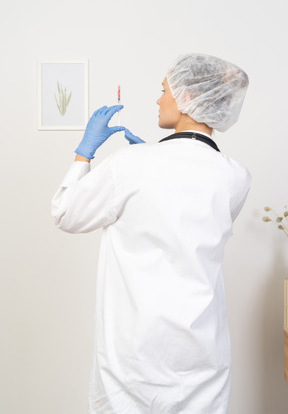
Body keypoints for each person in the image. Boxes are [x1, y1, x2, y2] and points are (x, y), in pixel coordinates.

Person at [51, 53, 252, 414]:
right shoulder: (236, 175)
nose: (159, 100)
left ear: (188, 98)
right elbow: (188, 221)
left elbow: (66, 213)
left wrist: (85, 154)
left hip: (135, 355)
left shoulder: (132, 164)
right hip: (202, 353)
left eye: (164, 91)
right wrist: (146, 165)